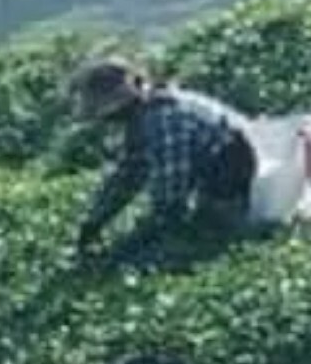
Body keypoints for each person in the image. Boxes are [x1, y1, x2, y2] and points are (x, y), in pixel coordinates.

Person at [68, 57, 263, 262]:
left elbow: (170, 200)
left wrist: (129, 247)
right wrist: (95, 221)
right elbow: (128, 175)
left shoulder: (162, 119)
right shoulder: (145, 115)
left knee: (178, 248)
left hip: (240, 182)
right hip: (218, 179)